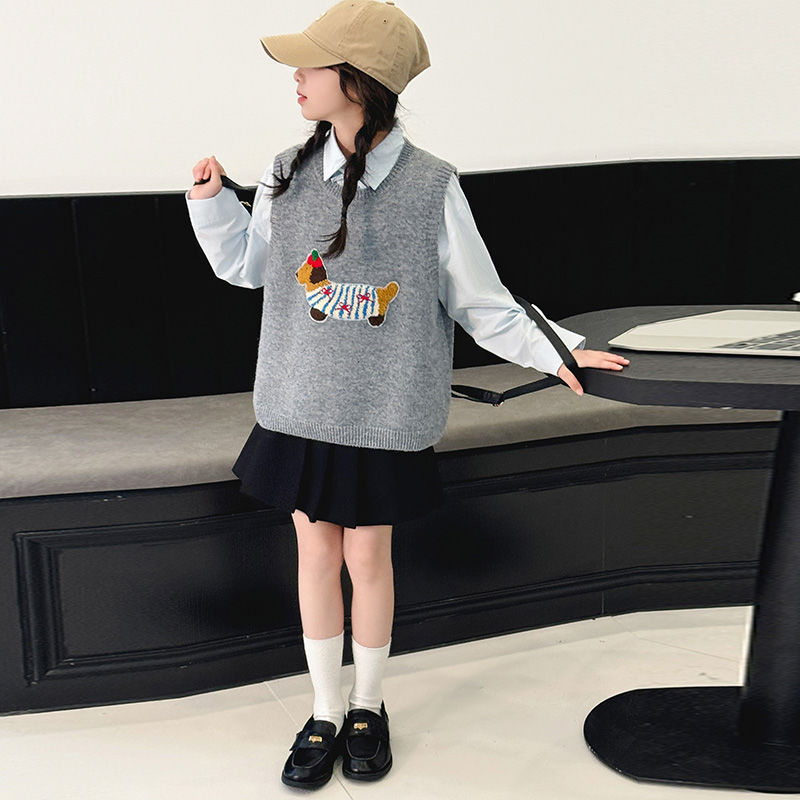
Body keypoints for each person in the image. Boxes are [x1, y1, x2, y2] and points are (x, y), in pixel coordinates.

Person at [186, 0, 629, 789]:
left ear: (358, 79)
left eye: (313, 64)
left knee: (368, 554)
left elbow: (481, 300)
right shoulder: (287, 172)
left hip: (382, 409)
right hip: (301, 404)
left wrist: (557, 349)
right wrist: (214, 204)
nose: (296, 77)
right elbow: (249, 267)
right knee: (316, 553)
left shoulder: (430, 186)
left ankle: (367, 705)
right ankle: (324, 710)